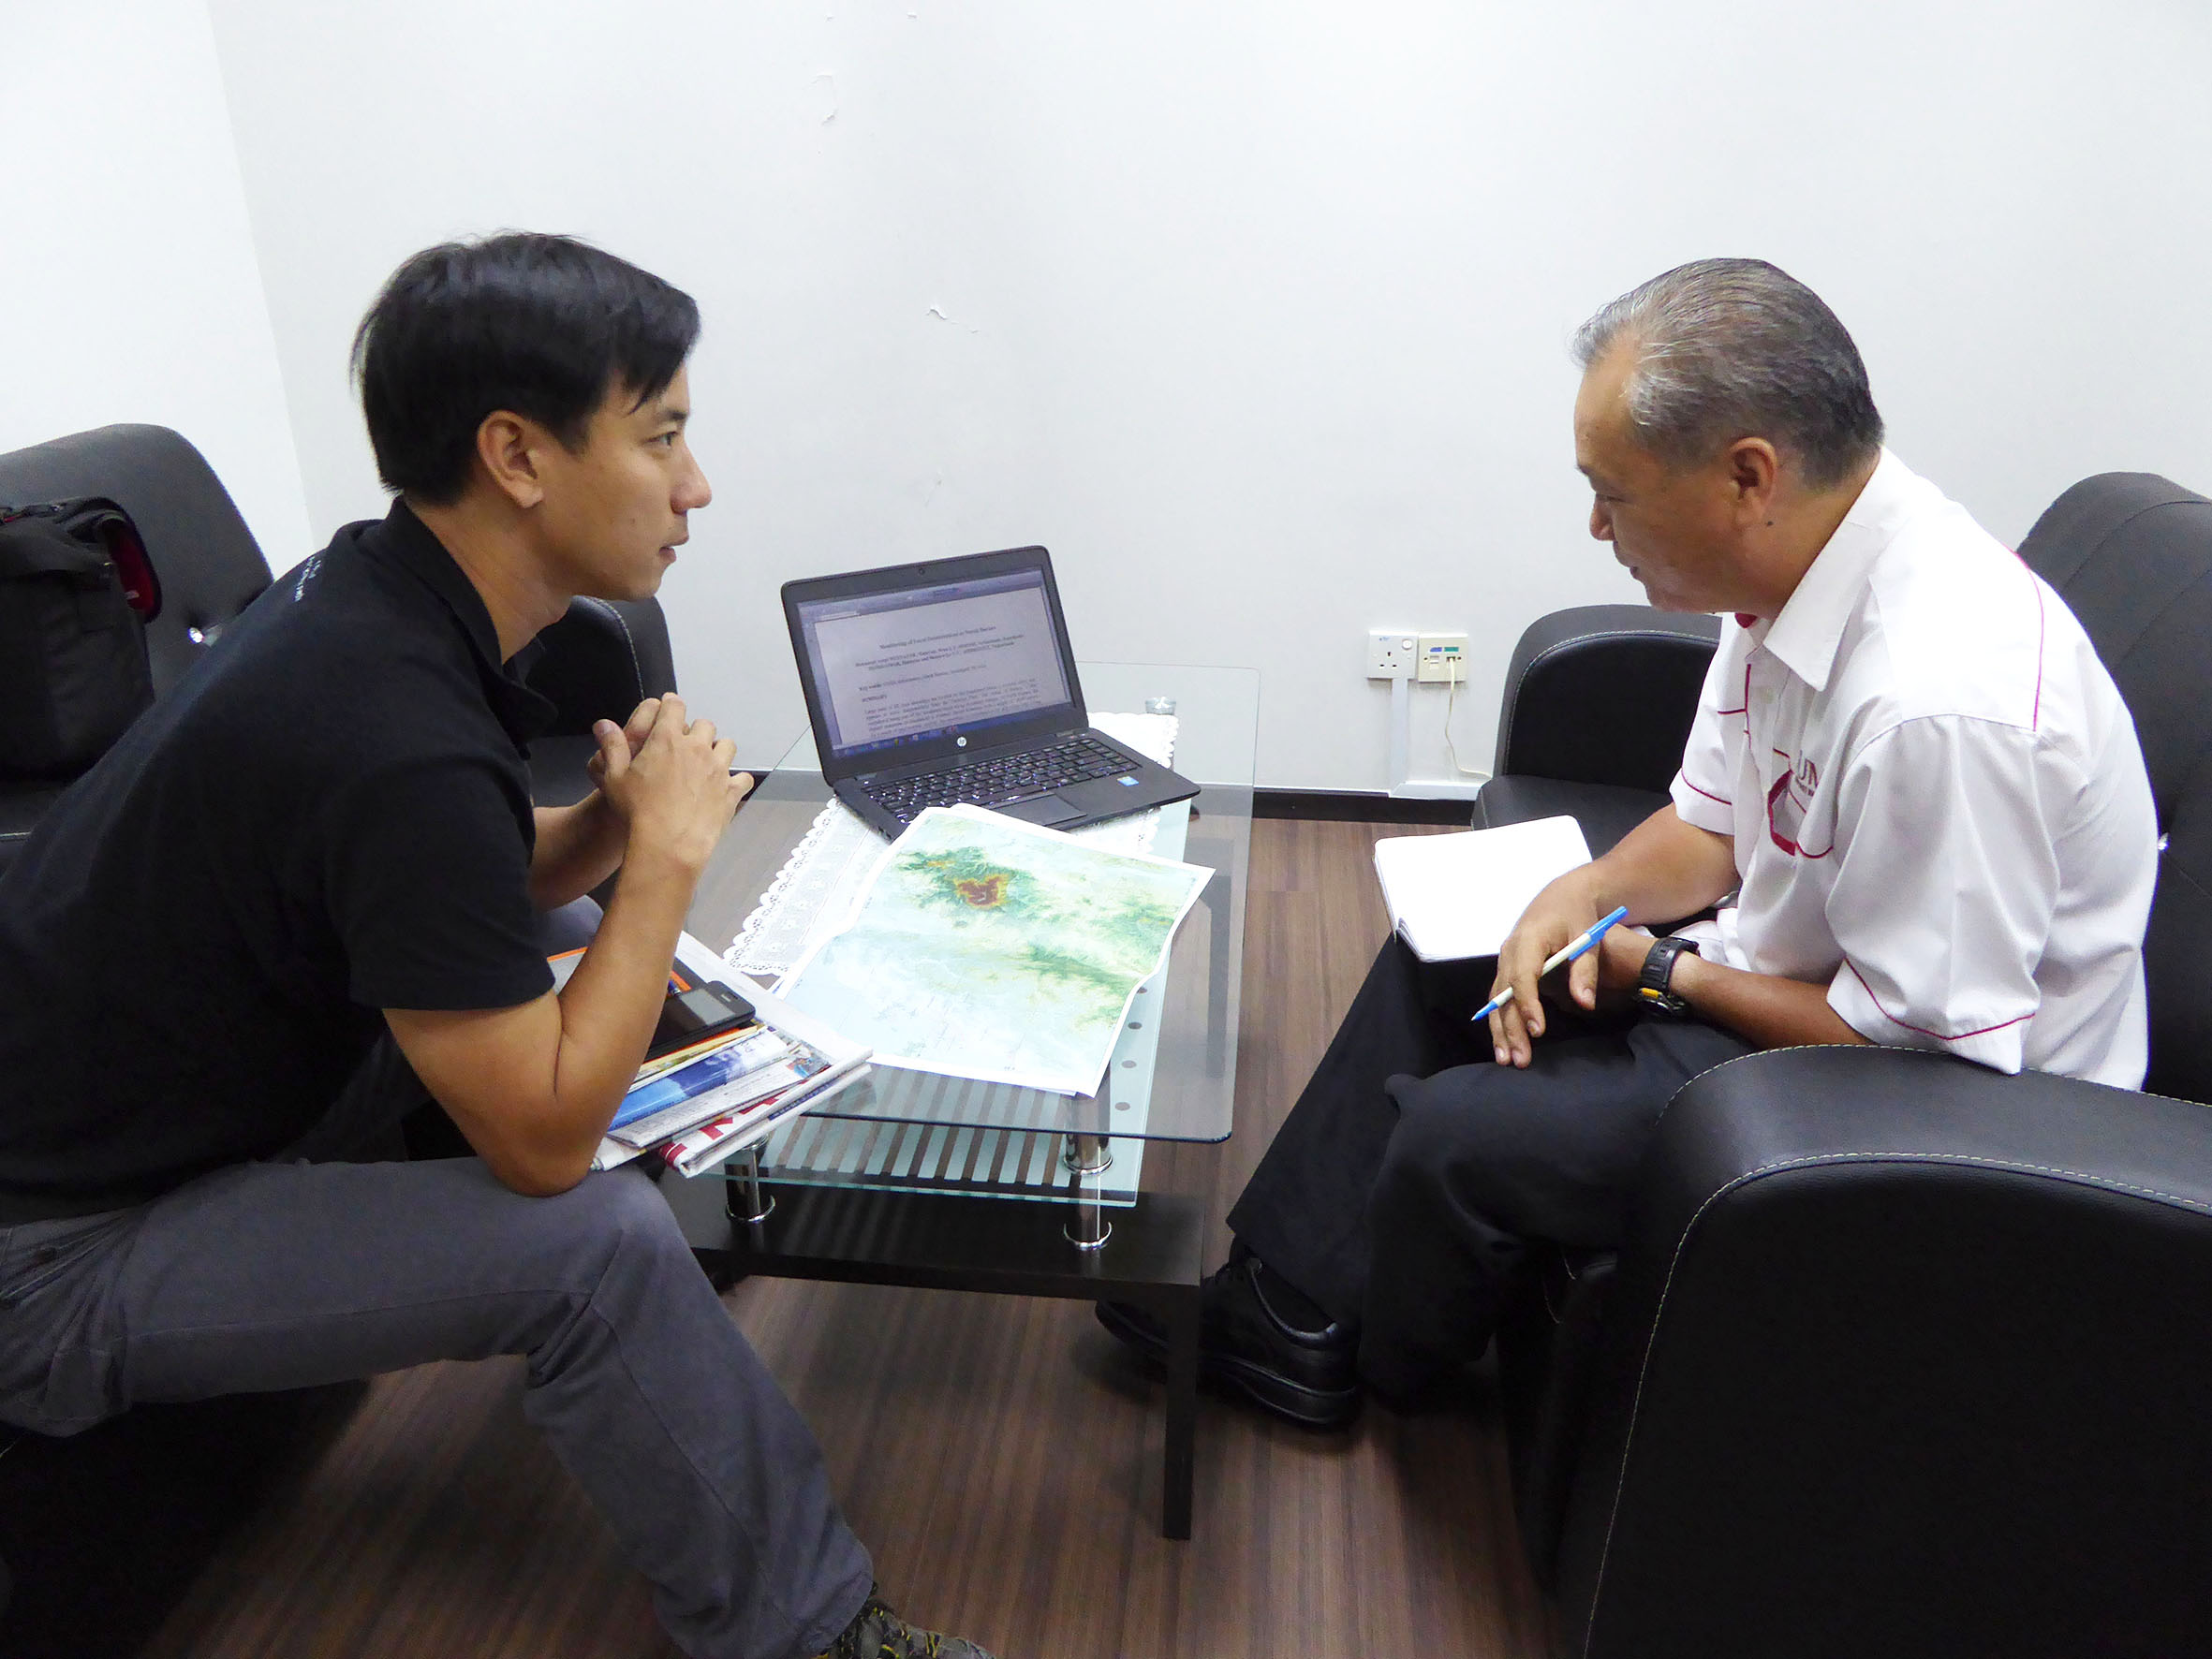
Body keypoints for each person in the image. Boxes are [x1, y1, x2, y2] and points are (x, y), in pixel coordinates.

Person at [0, 234, 995, 1659]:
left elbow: (447, 871)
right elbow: (533, 1151)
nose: (695, 487)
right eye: (661, 438)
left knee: (582, 922)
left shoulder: (369, 594)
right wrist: (660, 853)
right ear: (517, 456)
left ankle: (690, 1268)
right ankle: (811, 1633)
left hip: (134, 1111)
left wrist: (601, 828)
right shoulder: (382, 718)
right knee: (589, 1241)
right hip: (53, 1252)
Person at [1099, 256, 2160, 1429]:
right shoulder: (1795, 574)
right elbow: (1711, 825)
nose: (1595, 524)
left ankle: (1381, 1359)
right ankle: (1288, 1304)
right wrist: (1580, 892)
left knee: (1462, 1133)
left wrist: (1660, 969)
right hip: (1800, 984)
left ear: (1745, 475)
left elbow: (1924, 1047)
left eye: (1615, 491)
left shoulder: (1937, 703)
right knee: (1447, 951)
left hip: (1934, 1111)